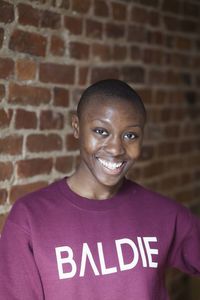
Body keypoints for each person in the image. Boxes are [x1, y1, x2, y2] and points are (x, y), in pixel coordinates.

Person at [0, 79, 199, 300]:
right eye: (101, 131)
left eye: (130, 135)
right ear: (76, 127)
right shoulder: (30, 218)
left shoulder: (163, 214)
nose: (115, 149)